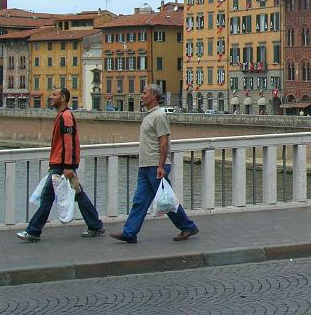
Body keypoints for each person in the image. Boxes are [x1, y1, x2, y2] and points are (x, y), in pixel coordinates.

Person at [110, 84, 198, 243]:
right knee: (140, 201)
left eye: (144, 93)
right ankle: (129, 233)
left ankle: (188, 226)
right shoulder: (150, 115)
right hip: (145, 165)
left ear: (153, 97)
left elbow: (164, 142)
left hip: (155, 166)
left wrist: (161, 166)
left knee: (166, 200)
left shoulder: (159, 115)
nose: (141, 95)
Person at [17, 88, 104, 242]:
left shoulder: (66, 117)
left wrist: (69, 167)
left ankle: (33, 231)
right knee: (78, 194)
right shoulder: (63, 116)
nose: (51, 97)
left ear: (63, 98)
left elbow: (69, 143)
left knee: (47, 197)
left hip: (61, 165)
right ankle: (96, 225)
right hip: (62, 164)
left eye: (55, 95)